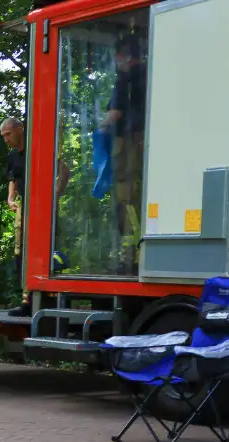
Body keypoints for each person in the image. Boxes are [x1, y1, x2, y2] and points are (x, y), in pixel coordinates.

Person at [103, 34, 146, 274]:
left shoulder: (125, 80)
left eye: (117, 55)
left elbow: (115, 113)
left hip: (127, 142)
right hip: (135, 141)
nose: (115, 60)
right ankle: (133, 254)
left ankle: (129, 257)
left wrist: (99, 127)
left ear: (125, 55)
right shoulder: (146, 76)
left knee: (126, 195)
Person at [0, 118, 31, 317]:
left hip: (41, 206)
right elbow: (12, 177)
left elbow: (63, 170)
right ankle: (25, 299)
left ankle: (39, 297)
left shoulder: (36, 148)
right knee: (20, 250)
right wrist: (10, 198)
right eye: (3, 136)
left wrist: (56, 192)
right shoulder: (13, 156)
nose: (6, 139)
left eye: (8, 134)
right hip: (23, 207)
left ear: (20, 130)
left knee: (37, 248)